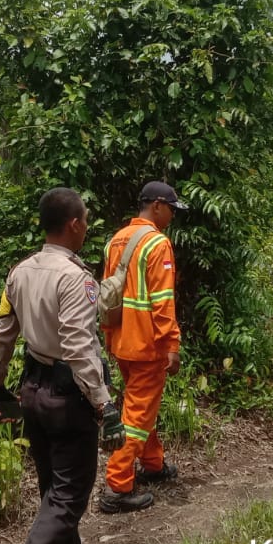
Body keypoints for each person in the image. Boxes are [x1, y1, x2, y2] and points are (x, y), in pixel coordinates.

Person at [0, 187, 125, 544]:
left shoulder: (20, 271)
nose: (86, 226)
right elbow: (81, 347)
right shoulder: (75, 278)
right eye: (85, 219)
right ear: (74, 224)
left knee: (54, 492)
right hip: (67, 397)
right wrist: (105, 402)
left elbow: (2, 334)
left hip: (32, 390)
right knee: (68, 496)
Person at [98, 180, 186, 514]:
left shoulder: (115, 240)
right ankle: (118, 486)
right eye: (172, 209)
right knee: (137, 415)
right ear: (158, 205)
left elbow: (108, 297)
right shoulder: (157, 244)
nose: (173, 216)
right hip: (148, 346)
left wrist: (108, 337)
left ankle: (152, 464)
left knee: (139, 408)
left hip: (122, 344)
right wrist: (172, 345)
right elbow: (163, 301)